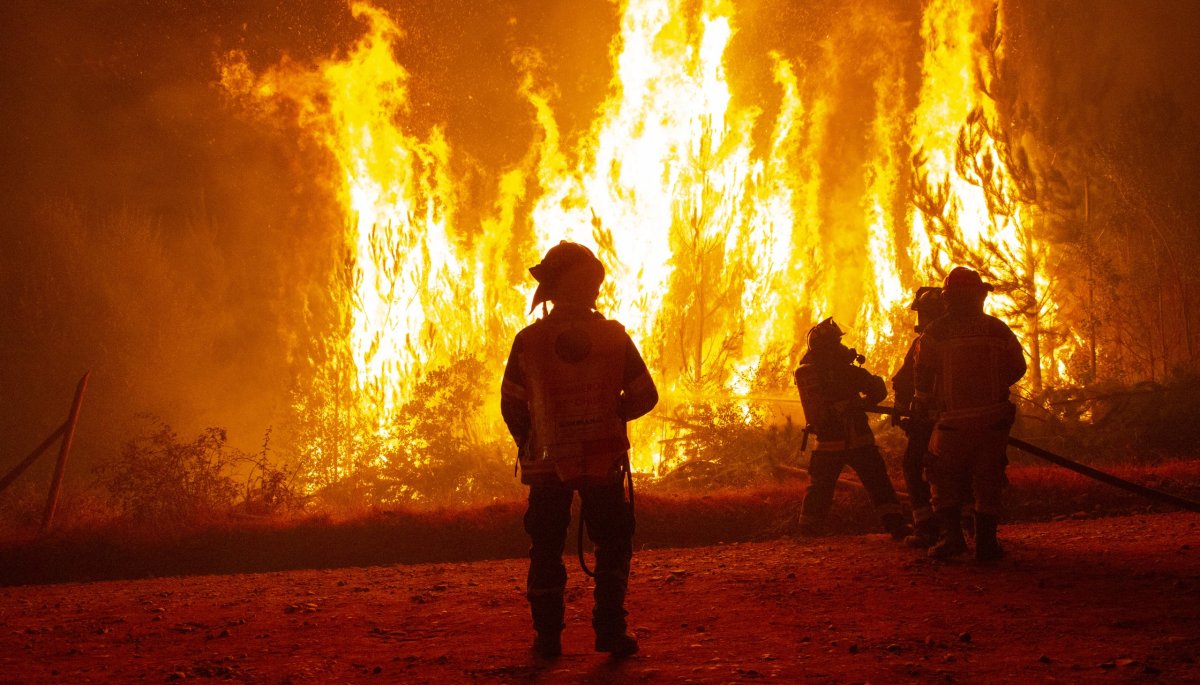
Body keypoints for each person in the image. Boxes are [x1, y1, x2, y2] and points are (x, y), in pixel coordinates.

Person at [500, 241, 658, 659]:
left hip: (548, 461)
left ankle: (547, 638)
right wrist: (612, 414)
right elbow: (645, 395)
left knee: (546, 545)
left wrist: (533, 443)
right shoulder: (612, 336)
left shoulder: (528, 341)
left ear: (550, 290)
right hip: (603, 458)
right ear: (592, 286)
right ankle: (609, 629)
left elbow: (512, 404)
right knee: (613, 540)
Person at [913, 267, 1026, 561]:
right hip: (993, 420)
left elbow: (923, 373)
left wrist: (921, 403)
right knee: (988, 479)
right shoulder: (997, 329)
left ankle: (953, 541)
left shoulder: (935, 332)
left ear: (948, 299)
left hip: (952, 422)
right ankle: (986, 546)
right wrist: (993, 385)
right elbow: (1018, 367)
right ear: (979, 297)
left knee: (940, 473)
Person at [794, 318, 909, 539]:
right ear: (831, 346)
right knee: (877, 481)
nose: (841, 346)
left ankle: (808, 530)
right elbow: (877, 390)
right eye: (837, 342)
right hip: (857, 439)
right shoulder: (846, 371)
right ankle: (895, 525)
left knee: (819, 487)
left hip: (826, 442)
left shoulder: (811, 373)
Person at [892, 287, 945, 547]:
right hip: (962, 419)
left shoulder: (925, 342)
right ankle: (968, 525)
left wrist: (903, 407)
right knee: (961, 470)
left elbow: (905, 381)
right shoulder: (961, 338)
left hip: (931, 421)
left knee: (914, 465)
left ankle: (926, 527)